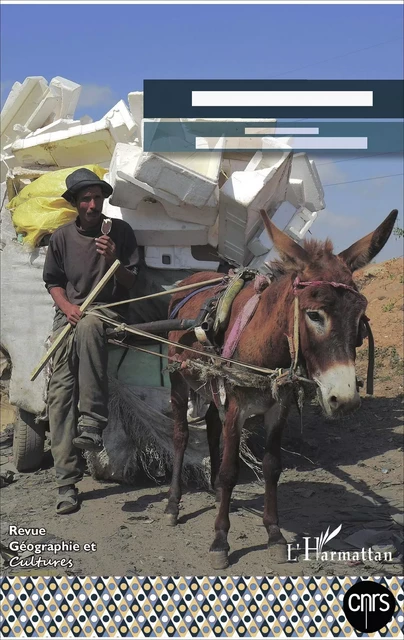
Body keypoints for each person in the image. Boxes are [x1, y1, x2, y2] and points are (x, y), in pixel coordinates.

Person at [43, 168, 140, 515]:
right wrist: (67, 306)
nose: (92, 203)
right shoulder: (61, 238)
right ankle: (66, 483)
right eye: (85, 198)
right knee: (58, 393)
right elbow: (53, 281)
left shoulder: (120, 232)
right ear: (74, 203)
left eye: (97, 197)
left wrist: (114, 258)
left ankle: (92, 422)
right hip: (69, 314)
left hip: (107, 310)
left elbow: (130, 283)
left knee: (88, 326)